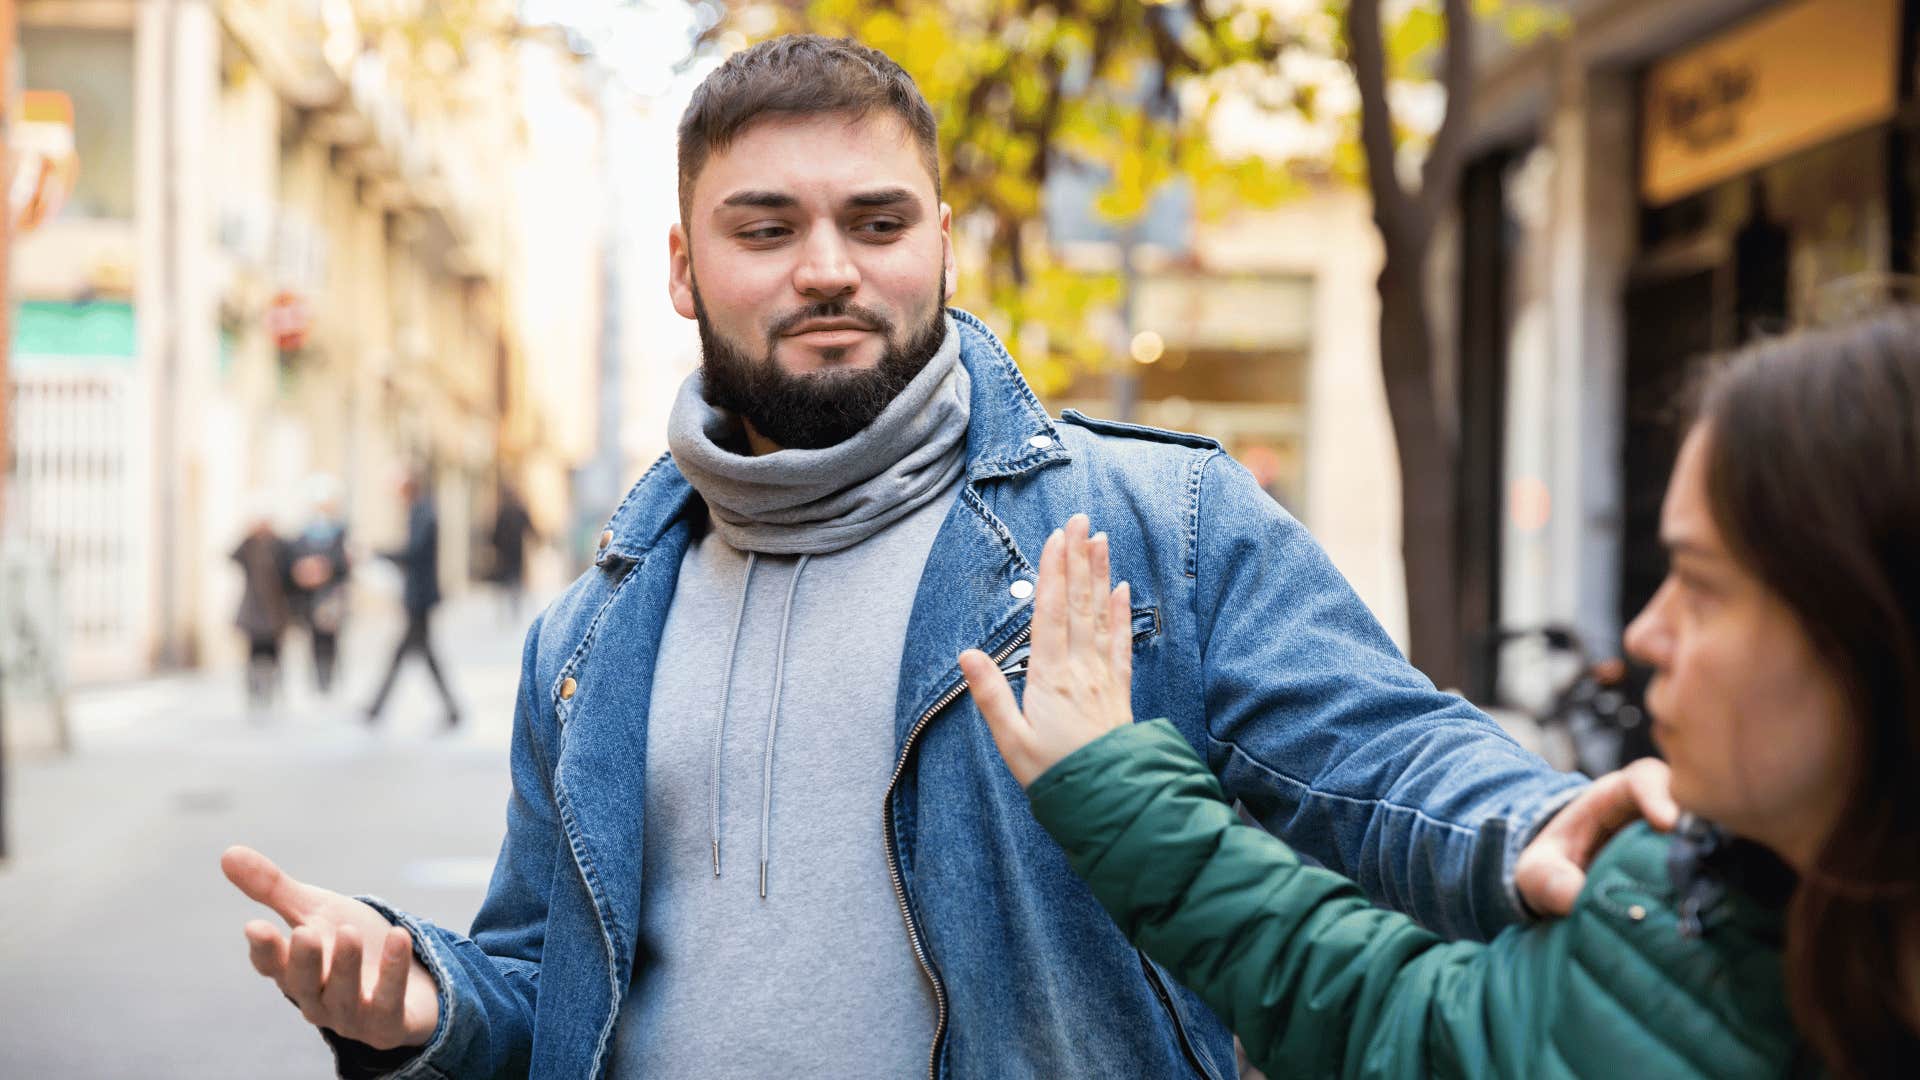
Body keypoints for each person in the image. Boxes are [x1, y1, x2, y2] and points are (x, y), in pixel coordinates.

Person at [220, 36, 1663, 1080]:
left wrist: (1538, 824)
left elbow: (1392, 761)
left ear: (943, 245)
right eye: (766, 227)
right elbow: (546, 983)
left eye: (877, 220)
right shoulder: (594, 626)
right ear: (682, 269)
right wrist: (415, 1003)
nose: (829, 267)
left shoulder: (1156, 525)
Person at [963, 311, 1920, 1079]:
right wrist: (1116, 790)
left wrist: (1517, 824)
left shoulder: (1175, 507)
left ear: (1874, 633)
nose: (1644, 634)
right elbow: (1396, 1013)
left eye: (1702, 586)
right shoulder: (1680, 908)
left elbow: (1381, 743)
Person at [363, 472, 460, 729]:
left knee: (409, 653)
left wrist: (381, 553)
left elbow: (414, 551)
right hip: (418, 597)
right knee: (421, 654)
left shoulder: (423, 514)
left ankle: (376, 707)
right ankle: (451, 709)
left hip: (420, 597)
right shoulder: (420, 512)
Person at [290, 477, 352, 695]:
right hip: (310, 595)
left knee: (331, 636)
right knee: (314, 637)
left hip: (332, 593)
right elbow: (294, 557)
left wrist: (326, 568)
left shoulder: (340, 532)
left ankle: (330, 675)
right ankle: (318, 676)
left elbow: (345, 562)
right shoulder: (304, 533)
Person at [231, 512, 294, 712]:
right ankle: (254, 691)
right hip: (253, 609)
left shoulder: (281, 547)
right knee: (254, 653)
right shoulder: (249, 547)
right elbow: (232, 556)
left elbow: (290, 569)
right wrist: (249, 536)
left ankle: (272, 690)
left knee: (274, 653)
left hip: (276, 609)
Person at [488, 483, 538, 622]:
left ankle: (511, 610)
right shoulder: (513, 511)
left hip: (508, 554)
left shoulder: (505, 512)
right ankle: (513, 610)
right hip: (513, 553)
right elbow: (531, 529)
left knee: (510, 581)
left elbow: (494, 535)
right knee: (513, 581)